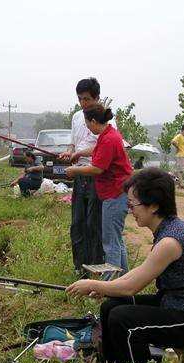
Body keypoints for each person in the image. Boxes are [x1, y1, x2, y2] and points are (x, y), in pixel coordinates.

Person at [66, 168, 184, 363]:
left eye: (133, 204)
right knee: (110, 307)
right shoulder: (167, 229)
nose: (130, 209)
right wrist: (107, 288)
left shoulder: (170, 241)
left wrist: (93, 284)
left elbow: (131, 287)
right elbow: (140, 272)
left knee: (124, 319)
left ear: (155, 205)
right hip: (175, 303)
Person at [65, 104, 132, 277]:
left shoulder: (109, 139)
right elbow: (96, 150)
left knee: (110, 243)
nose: (87, 128)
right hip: (116, 194)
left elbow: (97, 169)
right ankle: (124, 280)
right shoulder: (107, 134)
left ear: (94, 121)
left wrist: (74, 170)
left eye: (87, 125)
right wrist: (78, 154)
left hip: (115, 195)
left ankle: (109, 286)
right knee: (117, 241)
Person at [58, 78, 107, 275]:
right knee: (77, 223)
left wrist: (79, 154)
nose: (83, 103)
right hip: (79, 175)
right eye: (80, 99)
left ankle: (95, 268)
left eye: (87, 99)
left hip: (96, 175)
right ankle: (79, 267)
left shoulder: (106, 117)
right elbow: (73, 143)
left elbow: (105, 146)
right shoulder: (77, 117)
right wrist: (69, 153)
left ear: (97, 97)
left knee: (93, 224)